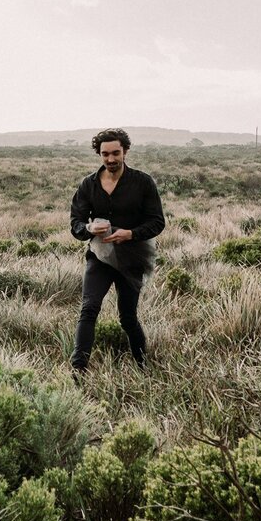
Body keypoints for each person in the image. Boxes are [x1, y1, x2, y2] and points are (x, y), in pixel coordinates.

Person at [69, 127, 165, 372]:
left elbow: (157, 222)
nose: (110, 159)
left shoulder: (142, 182)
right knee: (89, 309)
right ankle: (78, 371)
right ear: (99, 154)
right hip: (99, 257)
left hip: (132, 258)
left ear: (125, 151)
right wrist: (89, 228)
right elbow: (75, 224)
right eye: (105, 154)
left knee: (127, 316)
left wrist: (131, 234)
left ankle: (143, 367)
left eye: (115, 153)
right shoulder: (88, 185)